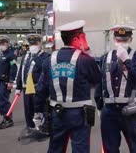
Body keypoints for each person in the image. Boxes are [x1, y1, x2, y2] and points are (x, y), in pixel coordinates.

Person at [35, 20, 101, 153]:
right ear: (78, 38)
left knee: (56, 148)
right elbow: (97, 79)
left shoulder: (49, 59)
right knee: (80, 148)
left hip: (57, 112)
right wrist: (88, 51)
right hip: (80, 114)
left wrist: (37, 112)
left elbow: (41, 89)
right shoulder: (85, 59)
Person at [95, 25, 136, 153]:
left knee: (134, 146)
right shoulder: (104, 57)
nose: (121, 43)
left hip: (130, 110)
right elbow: (99, 83)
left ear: (130, 39)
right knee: (110, 148)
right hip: (109, 111)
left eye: (124, 40)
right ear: (114, 39)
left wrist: (127, 61)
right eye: (119, 40)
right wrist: (100, 106)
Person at [16, 34, 50, 130]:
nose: (33, 46)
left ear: (40, 44)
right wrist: (18, 87)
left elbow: (45, 70)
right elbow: (21, 71)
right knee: (28, 109)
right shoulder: (26, 56)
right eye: (31, 44)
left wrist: (36, 56)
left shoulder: (46, 56)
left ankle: (41, 128)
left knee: (40, 109)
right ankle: (30, 127)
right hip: (26, 87)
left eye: (35, 43)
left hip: (38, 88)